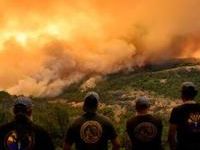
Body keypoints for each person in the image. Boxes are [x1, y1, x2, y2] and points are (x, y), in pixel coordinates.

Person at [168, 82, 200, 150]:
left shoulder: (177, 110)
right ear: (194, 95)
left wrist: (173, 147)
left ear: (182, 95)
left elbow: (171, 133)